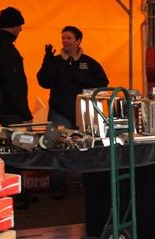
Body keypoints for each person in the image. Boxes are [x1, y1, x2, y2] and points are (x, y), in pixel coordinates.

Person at [37, 26, 109, 199]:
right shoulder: (54, 61)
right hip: (59, 111)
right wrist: (46, 61)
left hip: (83, 113)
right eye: (63, 38)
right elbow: (44, 82)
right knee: (57, 147)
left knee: (87, 147)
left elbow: (103, 82)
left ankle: (89, 183)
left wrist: (84, 79)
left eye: (69, 38)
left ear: (78, 41)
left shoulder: (89, 62)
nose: (65, 41)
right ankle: (57, 187)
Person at [0, 7, 32, 126]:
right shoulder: (6, 49)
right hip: (11, 109)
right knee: (20, 143)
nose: (20, 29)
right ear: (13, 25)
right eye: (19, 25)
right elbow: (13, 83)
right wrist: (25, 114)